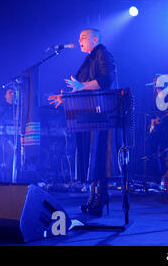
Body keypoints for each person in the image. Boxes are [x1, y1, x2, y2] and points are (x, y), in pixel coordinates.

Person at [48, 28, 117, 216]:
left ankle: (101, 196)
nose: (79, 41)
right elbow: (80, 87)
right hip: (88, 116)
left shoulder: (102, 54)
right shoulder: (89, 58)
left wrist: (82, 86)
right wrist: (66, 97)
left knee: (98, 157)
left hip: (101, 115)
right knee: (90, 158)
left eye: (84, 37)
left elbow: (107, 79)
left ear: (95, 39)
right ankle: (94, 195)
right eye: (79, 37)